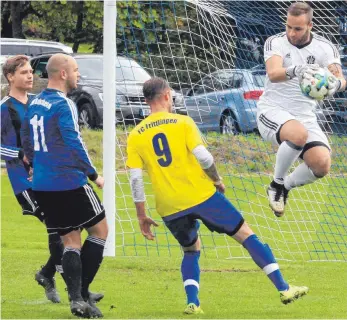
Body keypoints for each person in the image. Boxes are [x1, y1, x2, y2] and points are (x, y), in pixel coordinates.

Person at [126, 77, 308, 315]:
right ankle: (284, 288)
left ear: (146, 100)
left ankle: (193, 303)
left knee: (191, 250)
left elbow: (135, 179)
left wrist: (141, 215)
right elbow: (204, 157)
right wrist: (216, 179)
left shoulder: (136, 134)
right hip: (201, 195)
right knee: (245, 234)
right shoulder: (182, 122)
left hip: (168, 206)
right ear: (167, 95)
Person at [21, 53, 108, 319]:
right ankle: (81, 292)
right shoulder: (64, 104)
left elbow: (26, 137)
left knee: (71, 239)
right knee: (100, 230)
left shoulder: (35, 103)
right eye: (75, 70)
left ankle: (76, 300)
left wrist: (36, 165)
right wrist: (93, 175)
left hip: (44, 184)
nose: (78, 75)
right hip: (69, 181)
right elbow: (74, 142)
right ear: (62, 74)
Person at [257, 2, 347, 217]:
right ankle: (276, 184)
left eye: (297, 28)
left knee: (321, 164)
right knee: (298, 134)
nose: (291, 32)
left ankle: (285, 186)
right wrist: (297, 70)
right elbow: (273, 73)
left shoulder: (325, 48)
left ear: (310, 26)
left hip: (304, 116)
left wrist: (335, 85)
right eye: (288, 26)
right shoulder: (275, 42)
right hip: (272, 110)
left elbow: (340, 78)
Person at [1, 55, 63, 303]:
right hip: (23, 182)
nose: (30, 76)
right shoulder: (5, 108)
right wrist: (18, 153)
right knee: (58, 225)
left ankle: (47, 274)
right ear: (10, 77)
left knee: (66, 227)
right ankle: (73, 286)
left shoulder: (39, 104)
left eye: (31, 72)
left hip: (47, 176)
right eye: (24, 72)